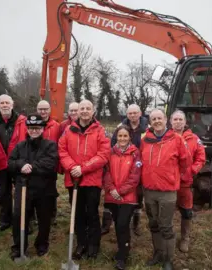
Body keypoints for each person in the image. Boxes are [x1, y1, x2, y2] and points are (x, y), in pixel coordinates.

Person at [58, 100, 110, 260]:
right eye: (82, 109)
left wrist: (83, 168)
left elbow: (103, 155)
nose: (85, 111)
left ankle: (94, 245)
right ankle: (81, 243)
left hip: (92, 180)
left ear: (93, 111)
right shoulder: (68, 130)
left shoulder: (100, 131)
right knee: (78, 213)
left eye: (88, 108)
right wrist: (73, 167)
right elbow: (62, 150)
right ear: (77, 112)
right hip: (73, 179)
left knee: (92, 213)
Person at [141, 109, 189, 270]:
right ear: (150, 121)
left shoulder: (176, 139)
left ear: (165, 119)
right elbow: (140, 161)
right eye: (153, 119)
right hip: (149, 190)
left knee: (166, 225)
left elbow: (185, 162)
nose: (156, 121)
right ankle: (158, 253)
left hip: (167, 191)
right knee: (153, 223)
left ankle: (168, 259)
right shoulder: (145, 139)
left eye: (159, 118)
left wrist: (172, 175)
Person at [8, 113, 59, 259]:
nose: (34, 131)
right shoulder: (20, 146)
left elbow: (50, 163)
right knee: (19, 217)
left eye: (37, 128)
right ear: (27, 129)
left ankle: (42, 245)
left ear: (42, 129)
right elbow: (10, 162)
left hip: (45, 189)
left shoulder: (50, 145)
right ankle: (19, 247)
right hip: (23, 188)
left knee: (44, 219)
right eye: (31, 128)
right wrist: (20, 164)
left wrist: (31, 167)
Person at [103, 104, 149, 236]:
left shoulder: (146, 128)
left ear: (140, 113)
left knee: (137, 197)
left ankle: (135, 224)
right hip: (121, 163)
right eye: (130, 113)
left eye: (135, 113)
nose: (133, 115)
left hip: (139, 165)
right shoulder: (121, 127)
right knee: (111, 196)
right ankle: (107, 224)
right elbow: (113, 143)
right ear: (127, 115)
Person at [103, 125, 142, 270]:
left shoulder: (135, 153)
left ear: (130, 137)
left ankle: (123, 256)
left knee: (122, 224)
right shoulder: (110, 152)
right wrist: (112, 189)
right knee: (117, 223)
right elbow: (106, 172)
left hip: (128, 197)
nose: (122, 139)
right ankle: (122, 248)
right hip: (112, 196)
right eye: (120, 136)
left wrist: (121, 191)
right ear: (116, 137)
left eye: (125, 136)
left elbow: (135, 176)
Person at [170, 110, 206, 253]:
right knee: (168, 212)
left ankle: (185, 238)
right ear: (171, 121)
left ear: (185, 122)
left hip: (185, 183)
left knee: (186, 211)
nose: (178, 122)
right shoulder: (166, 137)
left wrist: (192, 170)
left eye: (180, 119)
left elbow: (201, 158)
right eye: (175, 119)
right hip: (169, 183)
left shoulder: (194, 138)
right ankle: (169, 238)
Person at [0, 94, 27, 231]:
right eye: (2, 103)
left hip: (18, 162)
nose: (5, 105)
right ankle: (5, 220)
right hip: (1, 163)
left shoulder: (22, 121)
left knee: (22, 192)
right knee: (3, 193)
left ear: (12, 105)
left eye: (7, 102)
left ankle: (23, 220)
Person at [37, 100, 61, 226]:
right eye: (40, 109)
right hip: (36, 163)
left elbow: (59, 144)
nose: (43, 111)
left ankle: (52, 215)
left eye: (45, 109)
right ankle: (38, 215)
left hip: (51, 165)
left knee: (51, 190)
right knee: (36, 190)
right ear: (37, 110)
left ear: (49, 110)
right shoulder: (32, 124)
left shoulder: (56, 126)